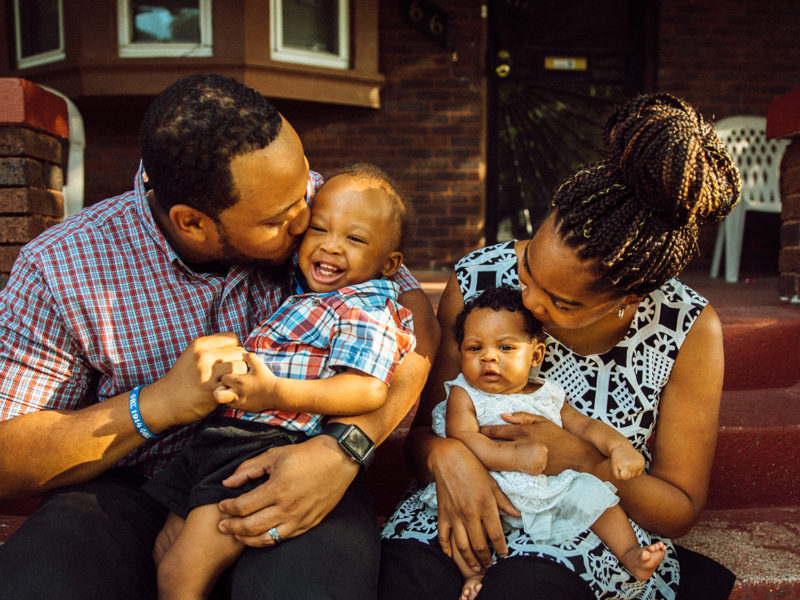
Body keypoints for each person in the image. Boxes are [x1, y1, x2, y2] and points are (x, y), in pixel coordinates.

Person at [0, 74, 439, 600]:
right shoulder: (60, 266)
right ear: (193, 223)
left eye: (305, 193)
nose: (306, 221)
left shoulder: (321, 205)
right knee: (42, 579)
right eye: (282, 219)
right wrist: (157, 404)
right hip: (133, 485)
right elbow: (8, 456)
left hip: (294, 458)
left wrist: (347, 445)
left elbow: (417, 321)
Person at [379, 92, 740, 600]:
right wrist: (448, 459)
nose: (529, 301)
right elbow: (423, 435)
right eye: (528, 270)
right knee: (408, 583)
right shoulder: (480, 277)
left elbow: (677, 508)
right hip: (465, 500)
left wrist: (579, 458)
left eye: (561, 302)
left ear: (628, 298)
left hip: (581, 528)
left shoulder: (687, 327)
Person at [145, 162, 417, 599]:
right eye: (320, 230)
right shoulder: (313, 295)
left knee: (180, 573)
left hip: (261, 447)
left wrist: (275, 391)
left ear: (390, 263)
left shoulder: (365, 309)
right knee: (165, 550)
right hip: (218, 440)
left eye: (354, 239)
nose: (330, 247)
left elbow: (367, 389)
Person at [393, 285, 666, 600]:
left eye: (506, 348)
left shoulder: (546, 393)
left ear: (535, 354)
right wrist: (512, 458)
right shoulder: (464, 393)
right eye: (474, 348)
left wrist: (619, 448)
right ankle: (473, 574)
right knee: (459, 524)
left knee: (596, 497)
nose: (489, 357)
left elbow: (586, 425)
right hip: (486, 486)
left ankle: (631, 553)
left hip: (544, 488)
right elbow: (463, 437)